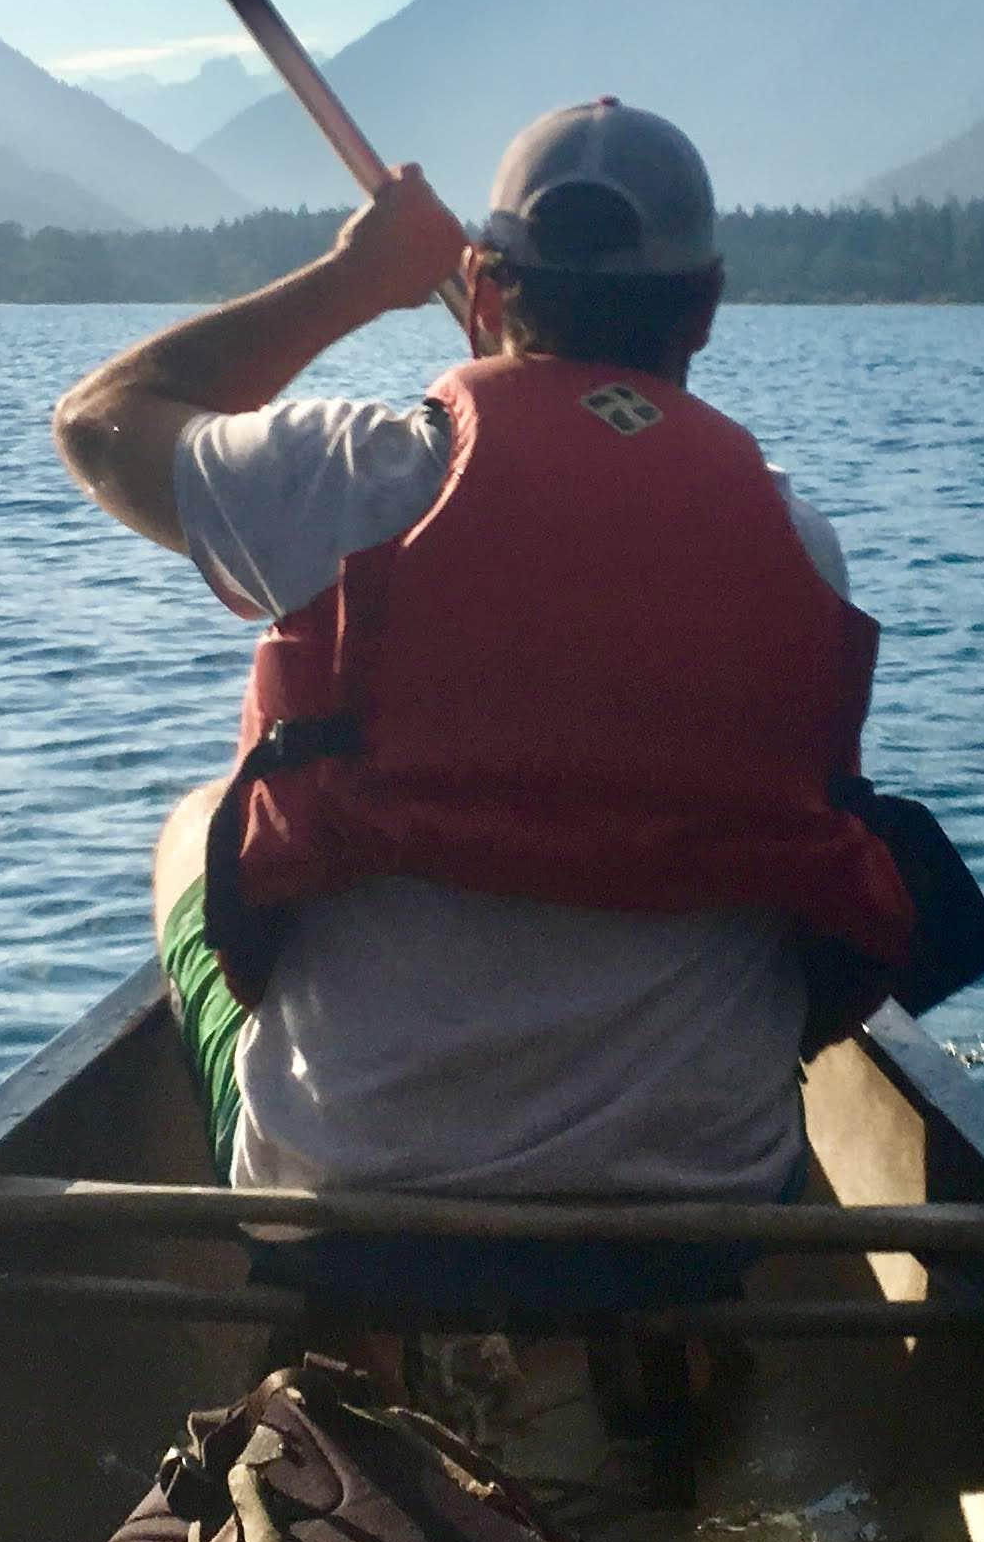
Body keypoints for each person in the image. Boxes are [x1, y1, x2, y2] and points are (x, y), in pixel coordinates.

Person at [50, 98, 912, 1202]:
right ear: (704, 305)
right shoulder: (801, 548)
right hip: (704, 1206)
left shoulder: (353, 481)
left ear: (487, 293)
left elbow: (101, 419)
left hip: (349, 1194)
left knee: (198, 825)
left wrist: (356, 278)